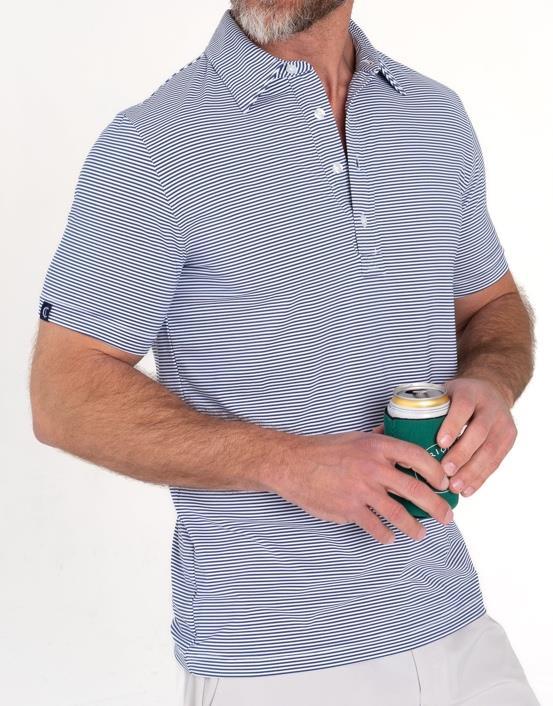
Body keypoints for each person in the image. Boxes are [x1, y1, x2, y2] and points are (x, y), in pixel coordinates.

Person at [30, 1, 541, 704]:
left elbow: (490, 307)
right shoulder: (156, 142)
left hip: (456, 621)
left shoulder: (432, 116)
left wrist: (491, 381)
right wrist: (286, 462)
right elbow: (63, 394)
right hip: (279, 661)